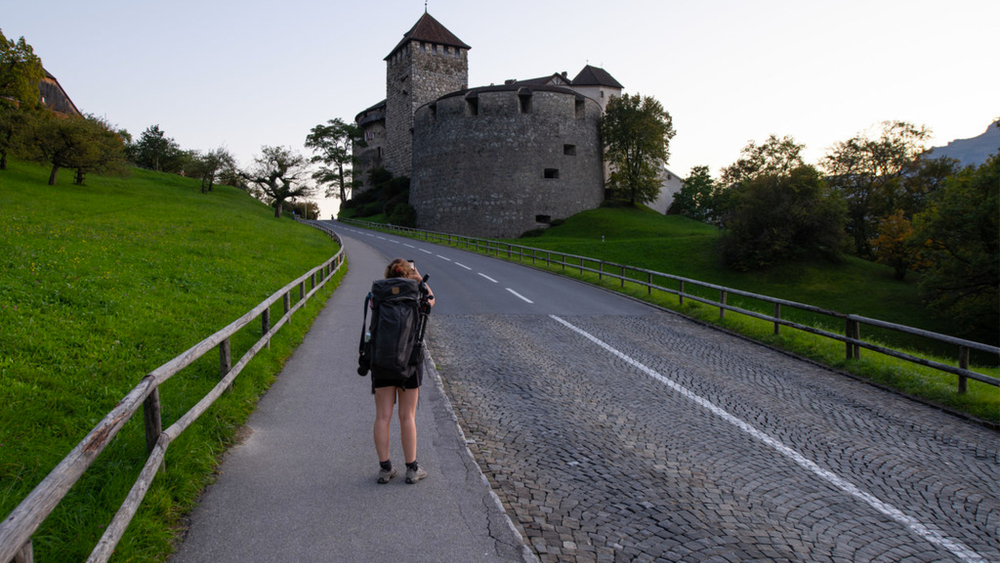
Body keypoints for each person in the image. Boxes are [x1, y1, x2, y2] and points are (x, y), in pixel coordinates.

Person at [373, 258, 435, 484]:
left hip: (381, 360)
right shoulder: (416, 297)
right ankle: (412, 468)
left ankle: (385, 468)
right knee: (407, 416)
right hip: (409, 361)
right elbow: (432, 299)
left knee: (382, 416)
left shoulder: (379, 294)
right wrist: (418, 277)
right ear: (409, 273)